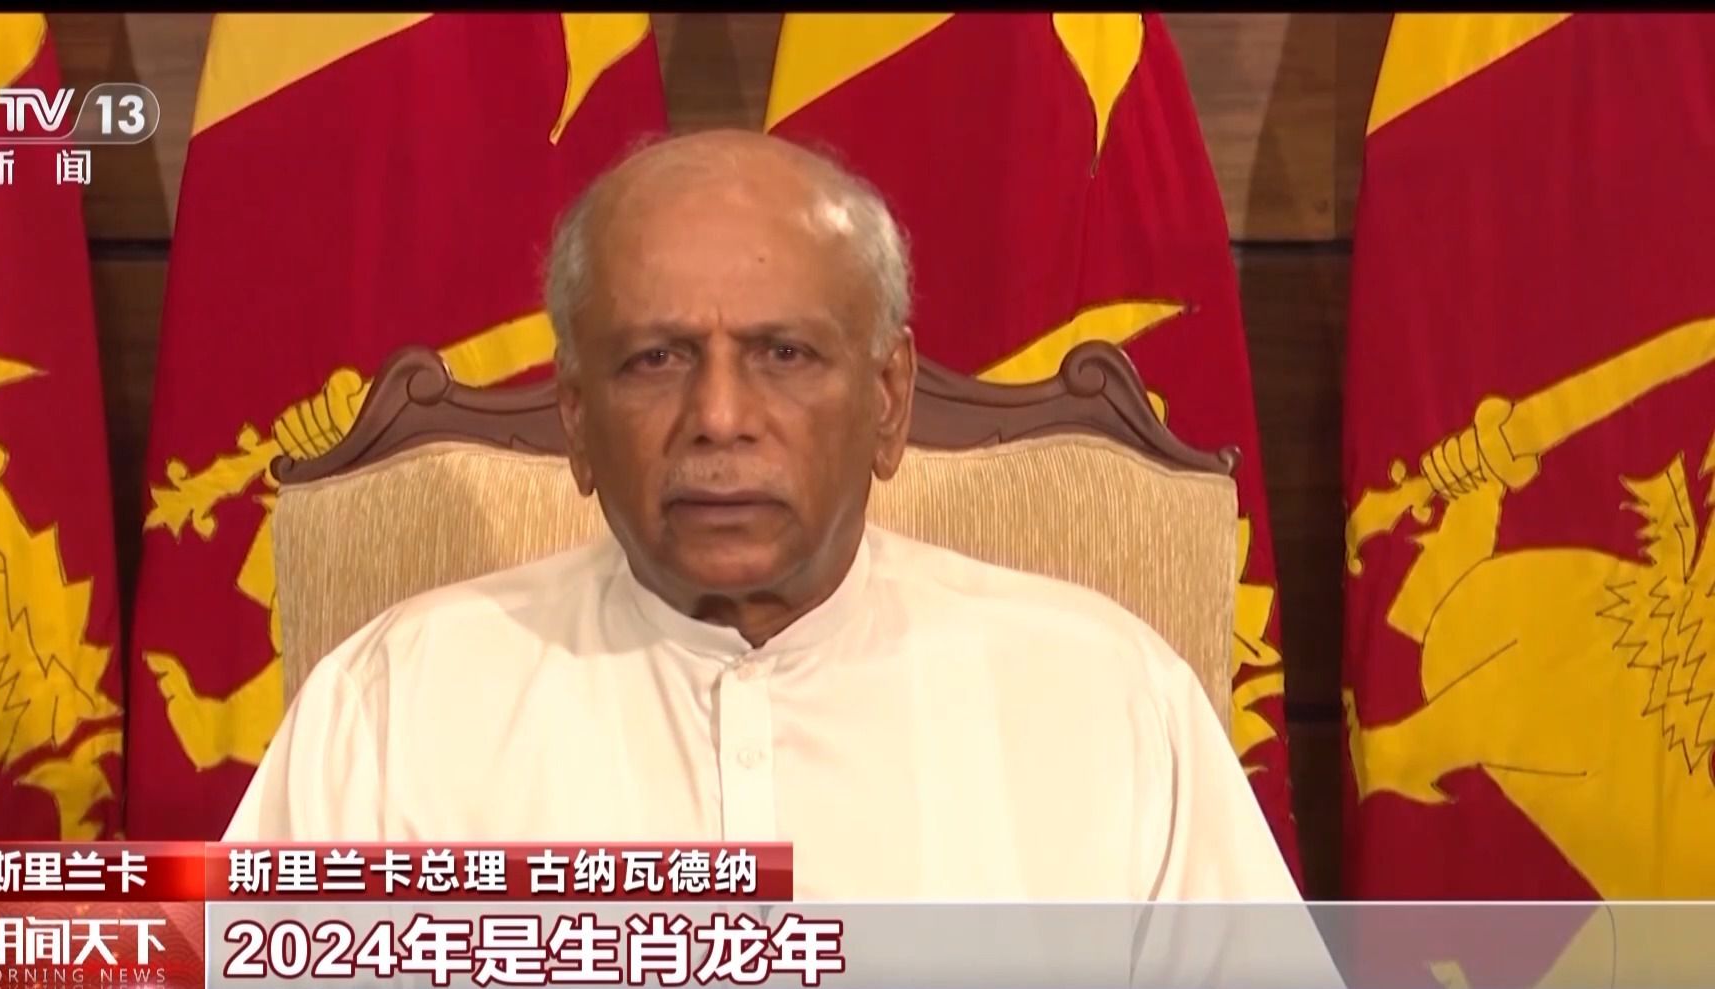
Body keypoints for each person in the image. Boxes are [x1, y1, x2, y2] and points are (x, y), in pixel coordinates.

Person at [224, 129, 1300, 902]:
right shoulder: (393, 708)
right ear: (577, 417)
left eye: (784, 354)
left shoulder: (1104, 695)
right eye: (656, 359)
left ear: (888, 400)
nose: (720, 417)